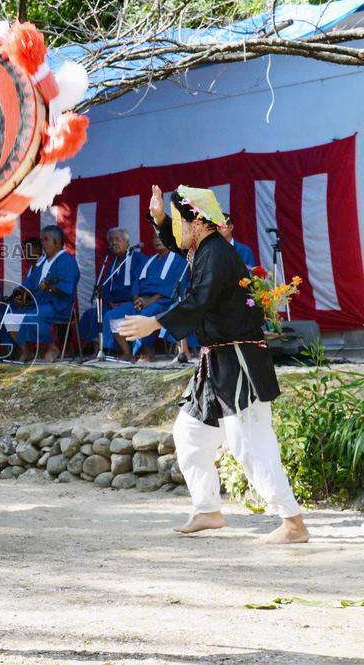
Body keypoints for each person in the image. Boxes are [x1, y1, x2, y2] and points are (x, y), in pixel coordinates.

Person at [120, 185, 309, 545]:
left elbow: (199, 300)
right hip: (215, 361)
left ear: (197, 222)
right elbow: (178, 245)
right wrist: (159, 217)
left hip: (239, 359)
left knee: (250, 443)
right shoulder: (202, 247)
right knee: (189, 434)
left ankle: (293, 522)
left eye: (178, 222)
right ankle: (208, 509)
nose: (175, 233)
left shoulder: (217, 253)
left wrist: (156, 322)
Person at [0, 225, 80, 363]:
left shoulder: (66, 260)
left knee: (33, 315)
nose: (43, 244)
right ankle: (26, 351)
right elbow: (29, 283)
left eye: (46, 240)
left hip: (59, 306)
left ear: (58, 241)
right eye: (42, 240)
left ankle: (52, 347)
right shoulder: (42, 263)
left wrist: (51, 288)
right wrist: (18, 294)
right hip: (40, 304)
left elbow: (69, 286)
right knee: (10, 318)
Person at [105, 229, 188, 362]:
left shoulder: (178, 259)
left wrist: (147, 302)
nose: (158, 240)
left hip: (164, 301)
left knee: (143, 316)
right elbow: (136, 282)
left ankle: (146, 351)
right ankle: (127, 352)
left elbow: (171, 287)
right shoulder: (149, 260)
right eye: (155, 238)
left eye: (161, 237)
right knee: (112, 316)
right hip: (142, 301)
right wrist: (136, 298)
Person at [79, 227, 145, 354]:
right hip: (113, 304)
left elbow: (140, 283)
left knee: (109, 316)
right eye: (111, 240)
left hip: (132, 303)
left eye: (117, 239)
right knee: (92, 314)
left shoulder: (138, 259)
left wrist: (129, 301)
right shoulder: (112, 263)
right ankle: (98, 349)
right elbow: (106, 286)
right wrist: (111, 303)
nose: (114, 243)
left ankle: (112, 349)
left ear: (127, 242)